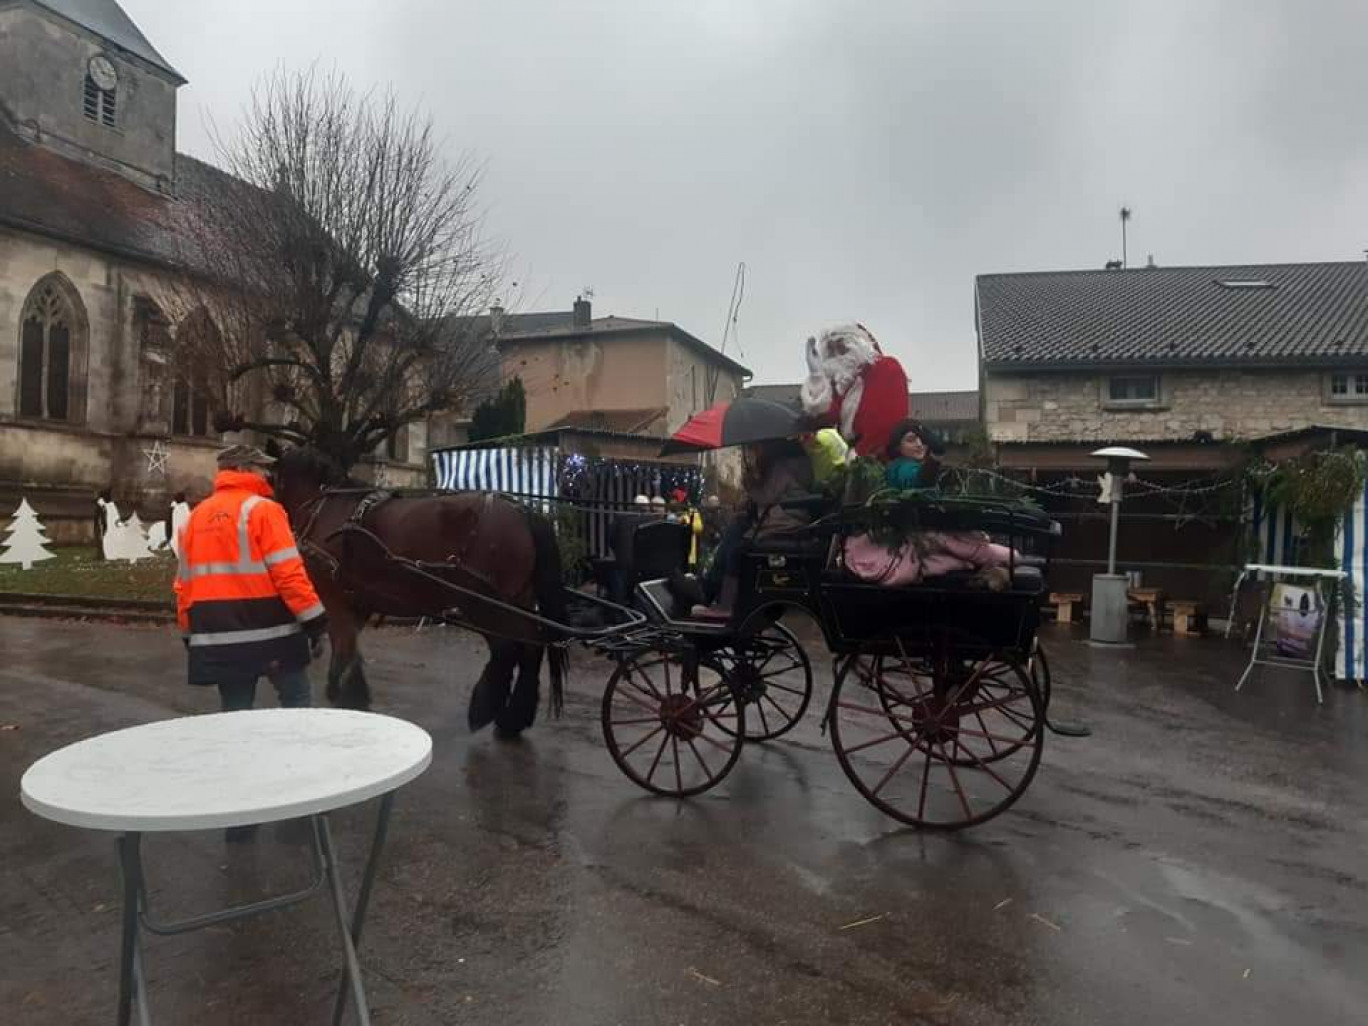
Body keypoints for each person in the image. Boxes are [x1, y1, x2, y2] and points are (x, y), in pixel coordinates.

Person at [176, 444, 329, 715]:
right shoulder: (264, 510)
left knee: (236, 713)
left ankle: (242, 756)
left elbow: (184, 586)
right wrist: (315, 622)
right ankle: (299, 756)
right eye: (261, 468)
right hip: (272, 631)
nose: (267, 474)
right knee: (297, 704)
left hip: (219, 633)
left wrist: (190, 633)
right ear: (243, 469)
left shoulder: (194, 518)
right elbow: (288, 574)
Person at [695, 440, 815, 618]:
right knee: (735, 532)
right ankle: (709, 590)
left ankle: (723, 602)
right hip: (783, 520)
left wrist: (749, 484)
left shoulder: (783, 466)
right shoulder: (798, 463)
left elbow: (766, 496)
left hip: (783, 523)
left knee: (737, 550)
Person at [800, 323, 910, 458]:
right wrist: (817, 377)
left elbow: (886, 424)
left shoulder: (886, 368)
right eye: (831, 351)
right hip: (855, 455)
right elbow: (826, 417)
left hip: (883, 457)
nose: (837, 355)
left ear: (859, 345)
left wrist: (859, 455)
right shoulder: (842, 382)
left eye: (842, 347)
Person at [884, 419, 944, 490]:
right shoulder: (902, 468)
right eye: (911, 440)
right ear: (897, 447)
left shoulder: (895, 465)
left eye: (923, 439)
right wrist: (936, 456)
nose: (919, 444)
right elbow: (921, 480)